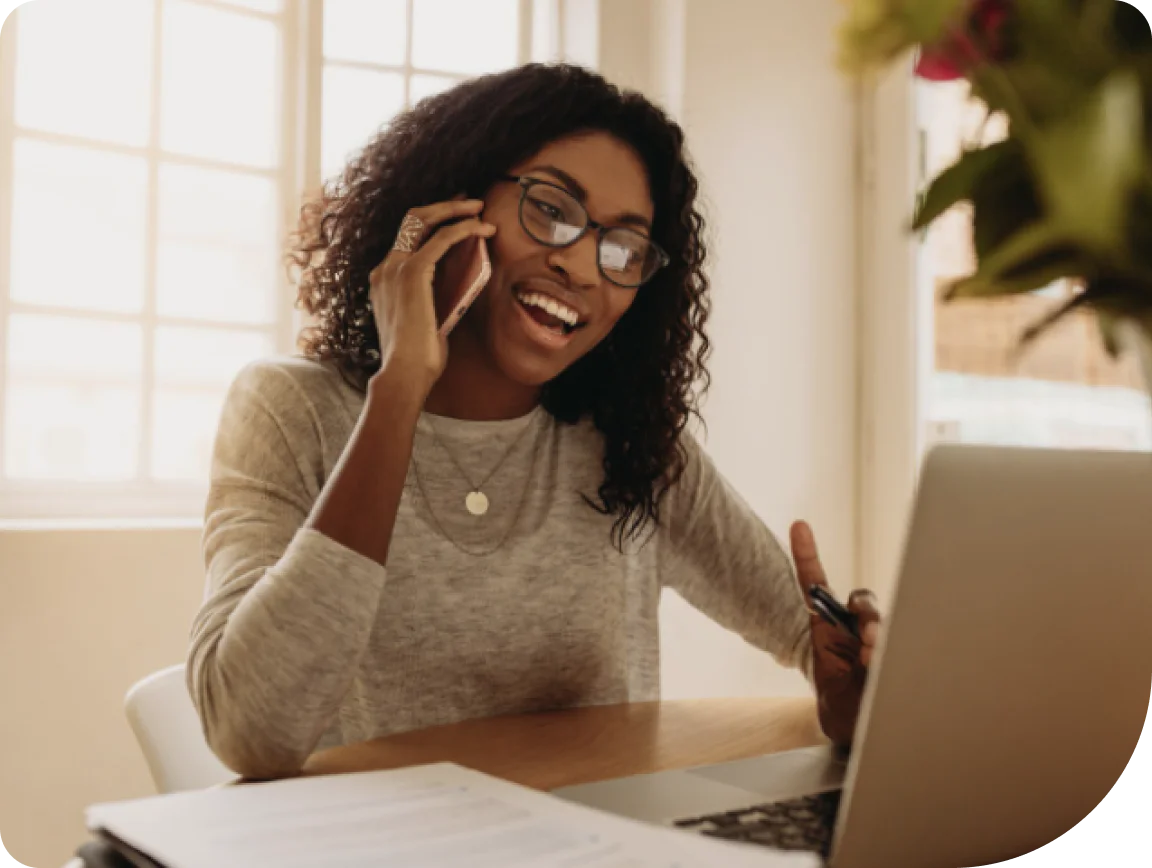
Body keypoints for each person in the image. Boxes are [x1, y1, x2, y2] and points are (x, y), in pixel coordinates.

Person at [187, 63, 881, 781]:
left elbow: (810, 643)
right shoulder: (290, 411)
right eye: (551, 209)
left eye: (623, 248)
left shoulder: (632, 450)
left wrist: (851, 684)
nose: (582, 266)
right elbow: (251, 732)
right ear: (451, 203)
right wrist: (399, 391)